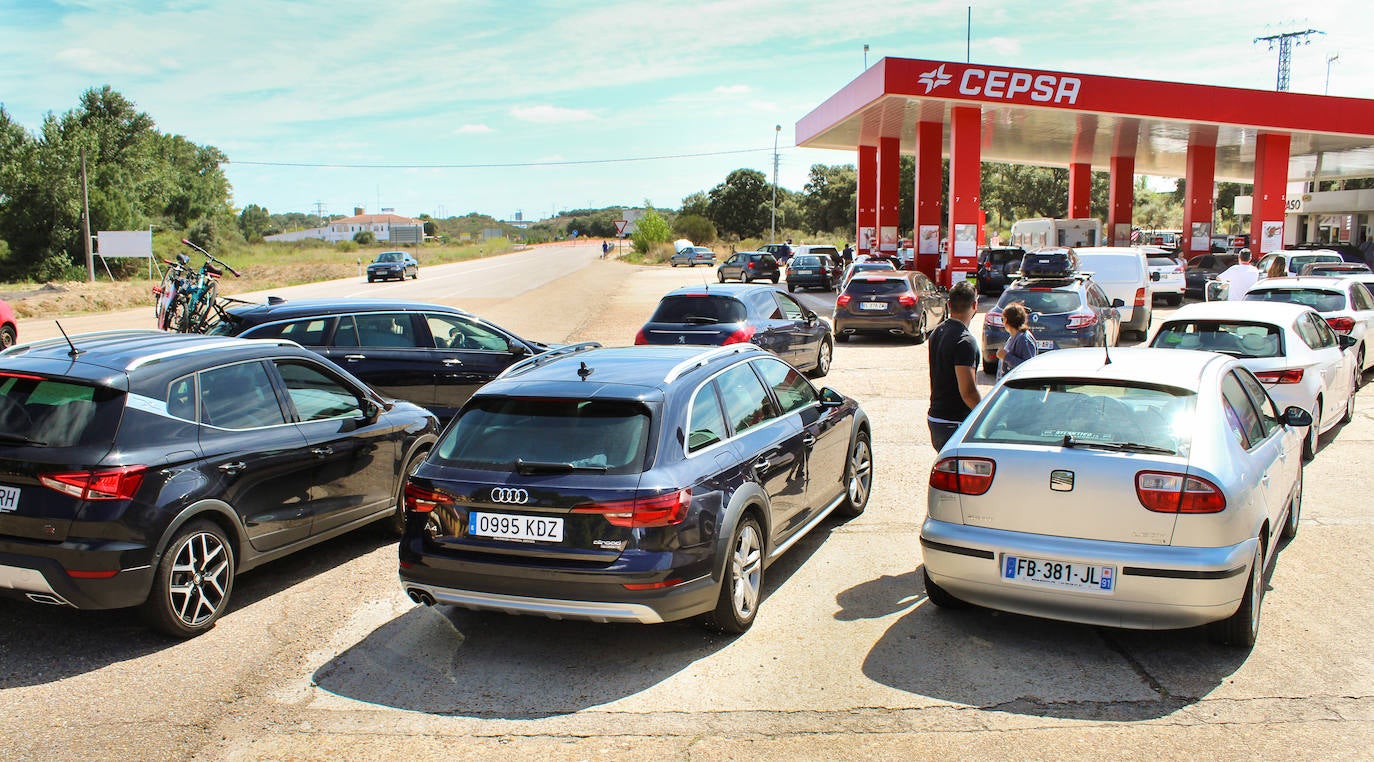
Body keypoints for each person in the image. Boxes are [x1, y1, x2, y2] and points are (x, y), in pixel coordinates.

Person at [928, 280, 982, 451]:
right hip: (954, 421)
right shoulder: (965, 341)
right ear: (975, 305)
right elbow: (968, 392)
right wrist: (984, 415)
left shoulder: (938, 331)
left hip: (936, 416)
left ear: (949, 304)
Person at [996, 302, 1037, 380]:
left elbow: (1028, 367)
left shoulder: (1023, 339)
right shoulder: (1013, 337)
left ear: (1006, 320)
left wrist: (1006, 356)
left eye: (1002, 319)